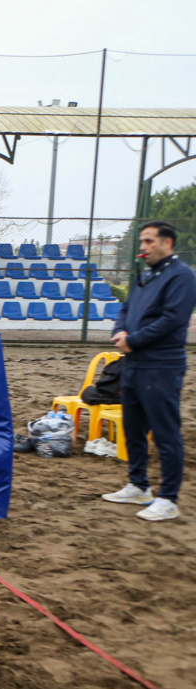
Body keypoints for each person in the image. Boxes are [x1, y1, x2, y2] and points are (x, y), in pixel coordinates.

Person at [101, 220, 196, 522]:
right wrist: (119, 332)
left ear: (167, 243)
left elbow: (172, 319)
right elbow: (126, 309)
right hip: (134, 364)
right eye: (142, 241)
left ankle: (168, 498)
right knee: (134, 428)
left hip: (162, 366)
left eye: (149, 241)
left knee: (166, 433)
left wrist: (133, 340)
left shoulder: (182, 277)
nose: (142, 248)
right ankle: (139, 485)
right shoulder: (146, 276)